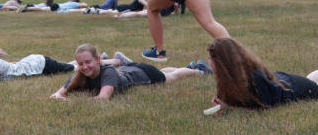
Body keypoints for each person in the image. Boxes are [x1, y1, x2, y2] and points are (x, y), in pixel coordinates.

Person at [207, 38, 318, 112]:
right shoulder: (227, 77)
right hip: (285, 81)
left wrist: (230, 109)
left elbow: (264, 108)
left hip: (295, 89)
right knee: (310, 81)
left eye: (210, 59)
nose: (208, 62)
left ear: (222, 62)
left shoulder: (255, 77)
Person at [49, 44, 212, 101]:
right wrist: (60, 98)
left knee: (170, 76)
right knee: (163, 71)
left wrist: (73, 102)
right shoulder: (78, 76)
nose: (84, 67)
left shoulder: (108, 72)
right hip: (128, 69)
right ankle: (189, 66)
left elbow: (102, 98)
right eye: (80, 64)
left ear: (98, 59)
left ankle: (199, 71)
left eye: (88, 62)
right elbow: (55, 95)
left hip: (143, 74)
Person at [0, 40, 120, 85]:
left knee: (73, 68)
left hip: (40, 66)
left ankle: (115, 60)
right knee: (67, 65)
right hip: (31, 61)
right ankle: (104, 56)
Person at [20, 0, 87, 13]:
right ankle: (27, 8)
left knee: (42, 9)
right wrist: (83, 3)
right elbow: (85, 6)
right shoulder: (76, 4)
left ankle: (27, 8)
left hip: (56, 5)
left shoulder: (70, 2)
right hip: (57, 7)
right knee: (41, 10)